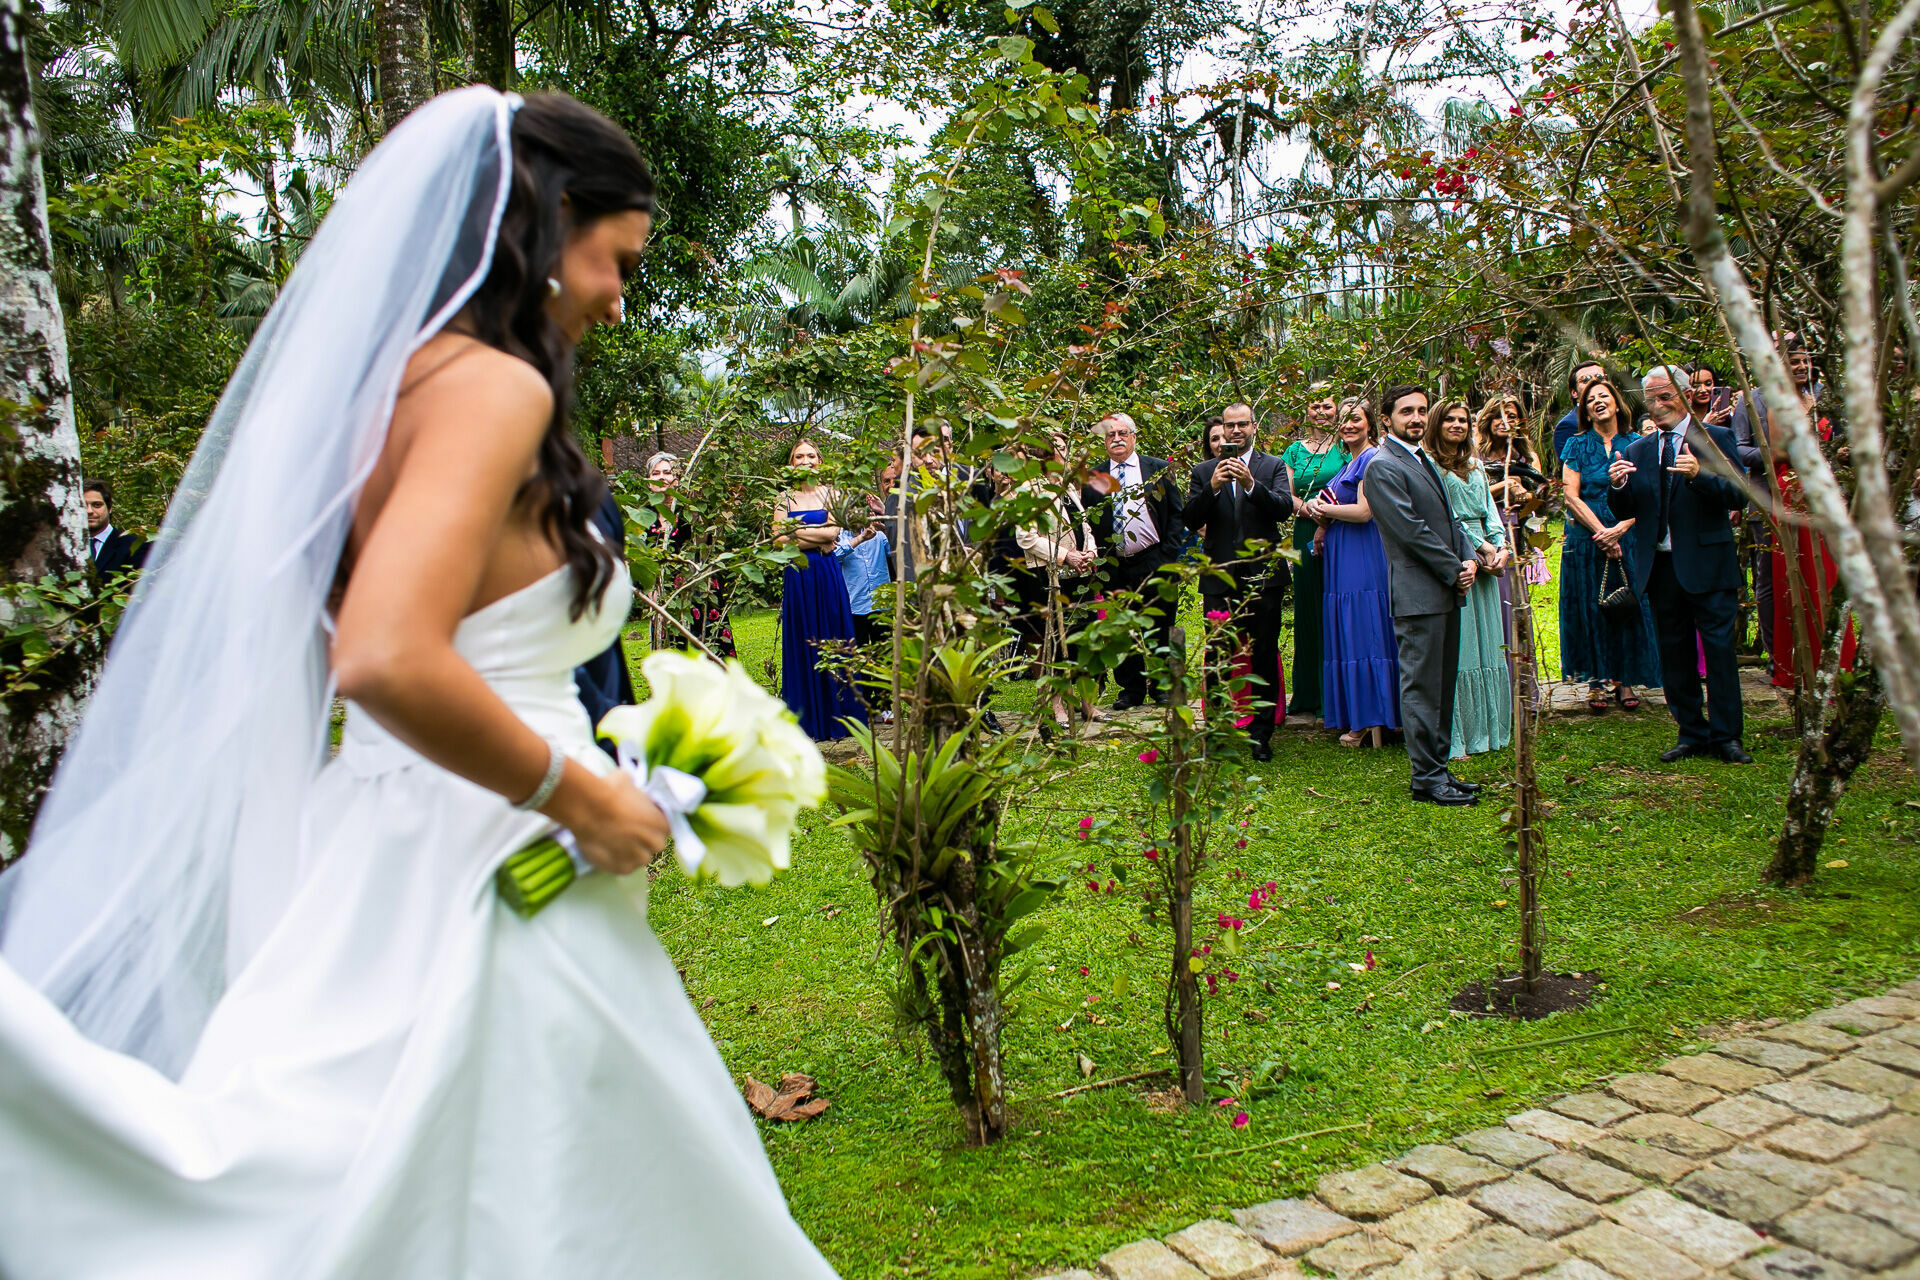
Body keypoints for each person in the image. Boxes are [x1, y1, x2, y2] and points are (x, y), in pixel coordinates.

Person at [0, 89, 839, 1278]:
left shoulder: (376, 395)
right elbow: (386, 652)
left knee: (438, 1183)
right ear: (546, 227)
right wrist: (582, 794)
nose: (618, 294)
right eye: (616, 259)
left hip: (390, 839)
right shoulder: (494, 388)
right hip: (494, 861)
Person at [1607, 365, 1751, 764]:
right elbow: (1629, 507)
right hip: (1661, 567)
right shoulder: (1638, 449)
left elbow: (1738, 496)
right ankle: (1691, 731)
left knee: (1720, 653)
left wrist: (1700, 475)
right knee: (1675, 655)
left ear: (1687, 395)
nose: (1657, 406)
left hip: (1708, 563)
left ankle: (1726, 736)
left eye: (1665, 396)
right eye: (1650, 398)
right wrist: (1618, 485)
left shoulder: (1715, 438)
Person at [1360, 384, 1480, 806]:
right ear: (1386, 418)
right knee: (1422, 688)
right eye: (1406, 411)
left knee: (1442, 685)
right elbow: (1410, 530)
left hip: (1445, 588)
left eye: (1422, 410)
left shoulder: (1422, 458)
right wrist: (1452, 569)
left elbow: (1449, 520)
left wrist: (1468, 559)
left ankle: (1439, 770)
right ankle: (1426, 778)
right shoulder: (1382, 466)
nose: (1416, 418)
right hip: (1418, 593)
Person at [1182, 400, 1296, 761]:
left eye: (1242, 424)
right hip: (1219, 576)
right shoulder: (1203, 471)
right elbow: (1189, 517)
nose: (1235, 431)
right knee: (1218, 654)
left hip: (1264, 576)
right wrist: (1212, 487)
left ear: (1253, 427)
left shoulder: (1272, 466)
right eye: (1230, 426)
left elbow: (1283, 508)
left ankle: (1261, 734)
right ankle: (1215, 731)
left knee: (1262, 653)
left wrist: (1250, 485)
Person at [1559, 377, 1662, 712]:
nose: (1597, 402)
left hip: (1629, 534)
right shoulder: (1576, 445)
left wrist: (1619, 529)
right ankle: (1596, 680)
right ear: (1584, 411)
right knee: (1591, 606)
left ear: (1617, 403)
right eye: (1590, 400)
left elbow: (1651, 496)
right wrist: (1602, 532)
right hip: (1587, 536)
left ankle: (1625, 679)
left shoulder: (1637, 443)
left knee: (1628, 606)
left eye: (1604, 396)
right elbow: (1570, 495)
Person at [1303, 399, 1399, 748]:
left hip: (1362, 552)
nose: (1349, 425)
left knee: (1365, 628)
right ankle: (1363, 714)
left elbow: (1363, 512)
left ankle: (1370, 719)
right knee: (1350, 627)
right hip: (1343, 555)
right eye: (1343, 420)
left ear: (1371, 424)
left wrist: (1320, 507)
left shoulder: (1372, 458)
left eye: (1356, 419)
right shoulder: (1352, 461)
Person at [1427, 400, 1512, 757]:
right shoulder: (1428, 466)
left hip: (1489, 563)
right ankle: (1459, 734)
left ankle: (1491, 731)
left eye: (1463, 420)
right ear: (1436, 423)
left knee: (1489, 645)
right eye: (1449, 419)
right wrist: (1479, 550)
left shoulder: (1476, 466)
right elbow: (1446, 516)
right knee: (1462, 650)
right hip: (1457, 557)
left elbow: (1491, 513)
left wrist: (1501, 546)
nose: (1458, 425)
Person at [1087, 412, 1183, 709]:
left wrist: (1167, 556)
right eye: (1110, 435)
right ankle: (1131, 689)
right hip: (1114, 565)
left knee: (1159, 624)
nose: (1116, 439)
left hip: (1153, 558)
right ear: (1104, 442)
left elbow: (1177, 515)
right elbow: (1089, 521)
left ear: (1133, 437)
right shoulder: (1094, 477)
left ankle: (1162, 686)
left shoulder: (1158, 469)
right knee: (1121, 628)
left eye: (1122, 433)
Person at [774, 438, 865, 741]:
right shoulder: (783, 499)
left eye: (811, 455)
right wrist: (819, 538)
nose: (805, 460)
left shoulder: (833, 494)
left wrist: (796, 531)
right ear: (792, 463)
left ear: (819, 461)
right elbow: (779, 541)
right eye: (799, 456)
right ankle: (807, 721)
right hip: (798, 574)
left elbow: (834, 532)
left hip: (827, 575)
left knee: (834, 637)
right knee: (804, 641)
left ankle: (842, 719)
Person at [1014, 433, 1101, 727]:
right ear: (1046, 456)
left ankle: (1088, 704)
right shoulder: (1029, 490)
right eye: (1061, 450)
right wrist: (1065, 556)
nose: (1067, 455)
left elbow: (1084, 524)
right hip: (1049, 575)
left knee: (1083, 639)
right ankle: (1058, 705)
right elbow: (1026, 538)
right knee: (1054, 642)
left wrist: (1090, 550)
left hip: (1079, 573)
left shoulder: (1069, 488)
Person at [1280, 384, 1351, 721]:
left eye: (1327, 405)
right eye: (1314, 405)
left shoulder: (1345, 448)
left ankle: (1337, 693)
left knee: (1337, 606)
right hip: (1306, 530)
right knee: (1310, 608)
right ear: (1305, 410)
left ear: (1337, 410)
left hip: (1345, 532)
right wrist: (1307, 510)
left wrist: (1331, 513)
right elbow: (1285, 494)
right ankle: (1309, 693)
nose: (1320, 411)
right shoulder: (1294, 451)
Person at [836, 459, 893, 648]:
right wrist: (859, 539)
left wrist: (884, 526)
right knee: (857, 655)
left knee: (884, 654)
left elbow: (896, 554)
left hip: (881, 606)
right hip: (855, 607)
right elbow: (834, 557)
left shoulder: (879, 535)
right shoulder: (840, 537)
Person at [82, 478, 145, 578]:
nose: (89, 511)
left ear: (109, 507)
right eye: (82, 505)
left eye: (97, 505)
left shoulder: (134, 546)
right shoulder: (65, 546)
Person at [1551, 359, 1609, 465]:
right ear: (1574, 393)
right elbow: (1572, 470)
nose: (1594, 382)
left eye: (1600, 377)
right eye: (1585, 380)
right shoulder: (1568, 425)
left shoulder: (1618, 417)